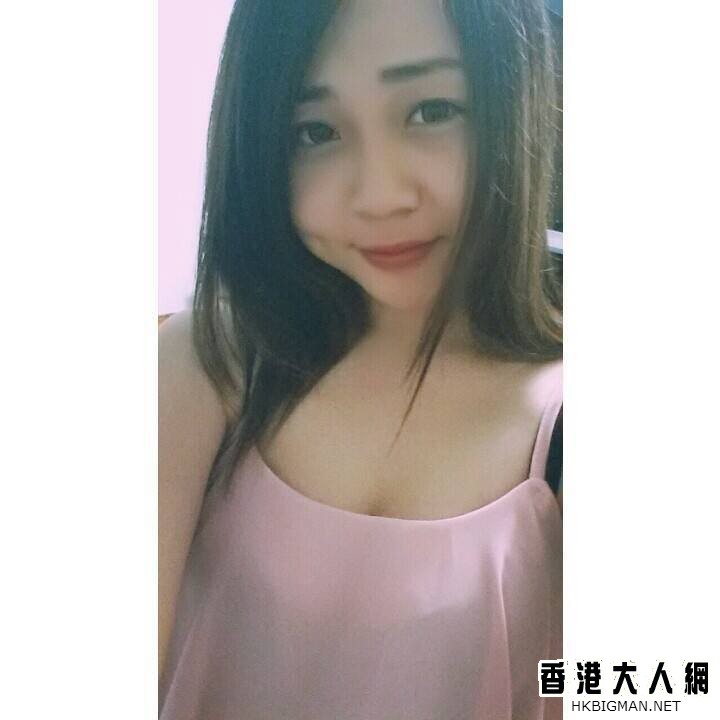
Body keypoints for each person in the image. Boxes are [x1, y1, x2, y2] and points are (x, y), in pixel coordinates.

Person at [159, 0, 563, 717]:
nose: (379, 195)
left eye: (432, 111)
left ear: (517, 103)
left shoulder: (565, 419)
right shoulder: (210, 360)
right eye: (315, 131)